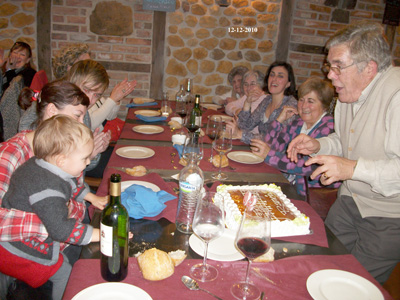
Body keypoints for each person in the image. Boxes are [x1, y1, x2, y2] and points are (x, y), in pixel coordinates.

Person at [287, 21, 400, 284]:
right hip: (348, 202)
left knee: (353, 286)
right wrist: (319, 145)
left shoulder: (396, 95)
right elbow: (344, 140)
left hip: (389, 218)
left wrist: (351, 169)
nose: (330, 75)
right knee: (318, 267)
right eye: (330, 66)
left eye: (338, 66)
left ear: (369, 68)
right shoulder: (348, 92)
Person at [0, 80, 107, 298]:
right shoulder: (11, 153)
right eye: (77, 115)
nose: (82, 123)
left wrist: (89, 198)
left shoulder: (57, 150)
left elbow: (71, 186)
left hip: (71, 235)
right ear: (51, 110)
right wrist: (53, 219)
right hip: (34, 251)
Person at [250, 77, 340, 196]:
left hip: (310, 194)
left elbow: (307, 165)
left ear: (323, 105)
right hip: (288, 184)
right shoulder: (298, 123)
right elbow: (271, 145)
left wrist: (269, 155)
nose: (303, 106)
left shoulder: (329, 127)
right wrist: (279, 120)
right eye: (301, 100)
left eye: (311, 101)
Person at [227, 61, 297, 144]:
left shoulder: (291, 105)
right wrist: (247, 103)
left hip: (276, 155)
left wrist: (241, 134)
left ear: (288, 83)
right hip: (258, 150)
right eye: (272, 75)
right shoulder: (267, 100)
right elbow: (246, 126)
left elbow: (274, 140)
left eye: (280, 76)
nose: (274, 79)